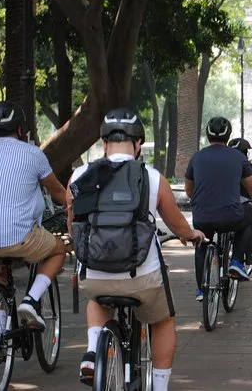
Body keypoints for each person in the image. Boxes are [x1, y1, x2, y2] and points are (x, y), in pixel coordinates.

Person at [68, 108, 205, 389]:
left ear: (104, 143)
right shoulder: (152, 178)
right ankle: (160, 386)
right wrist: (191, 235)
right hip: (142, 276)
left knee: (97, 297)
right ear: (138, 143)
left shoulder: (80, 176)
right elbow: (176, 223)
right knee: (163, 321)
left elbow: (74, 225)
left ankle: (92, 353)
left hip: (94, 273)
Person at [0, 101, 68, 331]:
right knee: (58, 249)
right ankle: (31, 300)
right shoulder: (33, 153)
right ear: (19, 129)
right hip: (18, 238)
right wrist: (73, 207)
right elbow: (58, 191)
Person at [186, 117, 252, 301]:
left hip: (202, 216)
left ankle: (201, 290)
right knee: (247, 218)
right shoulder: (238, 157)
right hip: (230, 215)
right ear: (228, 135)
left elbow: (189, 189)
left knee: (202, 245)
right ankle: (237, 261)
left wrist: (199, 200)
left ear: (207, 135)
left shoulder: (197, 157)